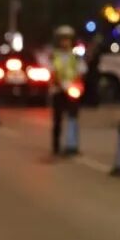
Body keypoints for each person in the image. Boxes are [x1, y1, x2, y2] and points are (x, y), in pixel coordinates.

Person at [48, 25, 87, 156]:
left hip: (72, 90)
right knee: (57, 120)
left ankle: (72, 145)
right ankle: (56, 147)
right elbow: (52, 72)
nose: (65, 42)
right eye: (62, 39)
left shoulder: (75, 57)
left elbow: (80, 72)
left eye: (67, 39)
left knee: (73, 118)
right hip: (58, 90)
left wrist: (75, 84)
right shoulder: (54, 56)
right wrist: (59, 83)